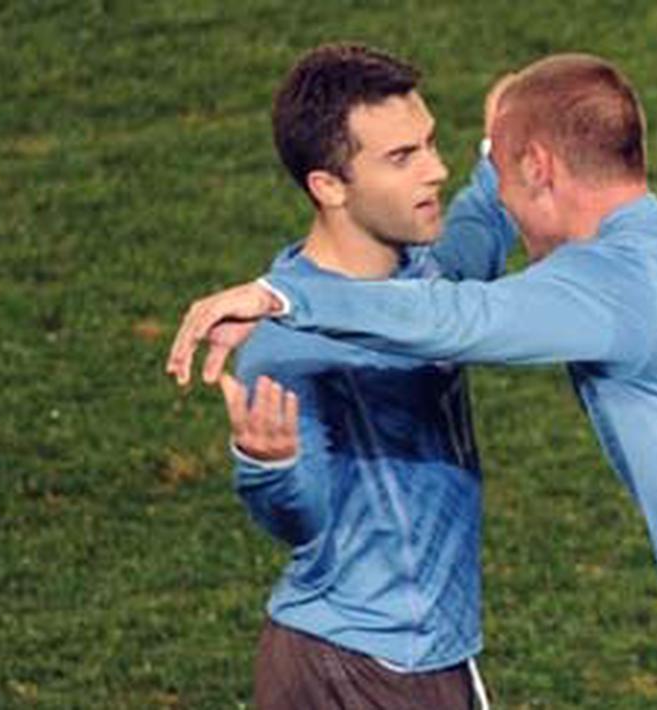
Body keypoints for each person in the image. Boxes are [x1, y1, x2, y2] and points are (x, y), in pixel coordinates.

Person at [168, 54, 657, 709]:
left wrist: (283, 296)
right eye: (409, 156)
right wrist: (505, 144)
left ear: (542, 168)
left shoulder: (600, 284)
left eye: (499, 178)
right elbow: (455, 280)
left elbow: (457, 315)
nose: (487, 203)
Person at [193, 43, 515, 709]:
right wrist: (268, 465)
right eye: (402, 158)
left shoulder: (427, 275)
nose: (435, 170)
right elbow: (299, 517)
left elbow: (480, 231)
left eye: (428, 142)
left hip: (424, 651)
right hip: (358, 665)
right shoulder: (285, 344)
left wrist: (504, 144)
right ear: (329, 186)